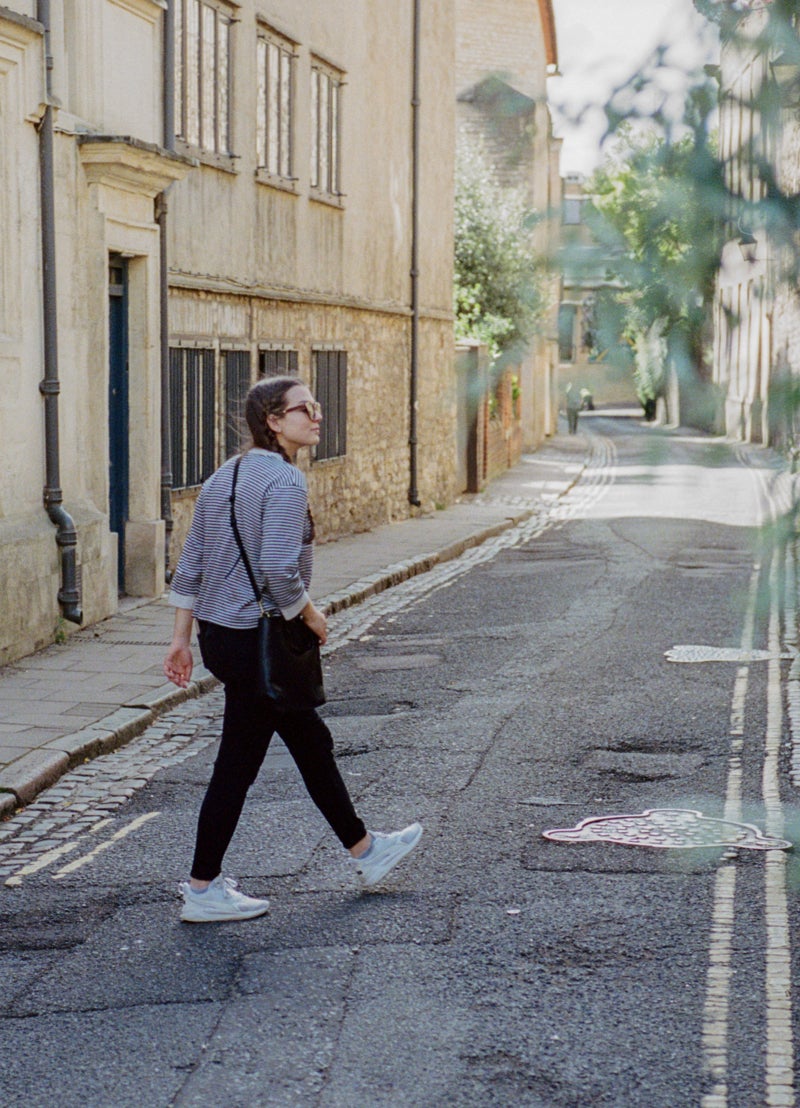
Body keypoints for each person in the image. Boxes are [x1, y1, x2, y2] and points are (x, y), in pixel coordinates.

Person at [164, 375, 422, 923]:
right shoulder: (283, 481)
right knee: (237, 765)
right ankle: (202, 888)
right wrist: (311, 615)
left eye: (317, 405)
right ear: (273, 422)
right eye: (304, 409)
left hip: (223, 637)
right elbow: (279, 570)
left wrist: (181, 639)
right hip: (264, 641)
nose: (317, 415)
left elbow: (190, 566)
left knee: (309, 741)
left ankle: (365, 849)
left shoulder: (220, 477)